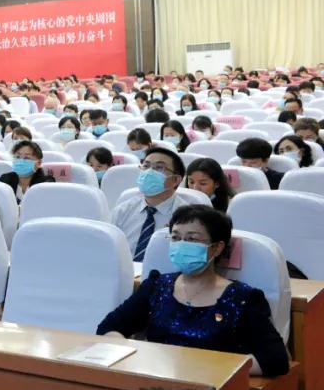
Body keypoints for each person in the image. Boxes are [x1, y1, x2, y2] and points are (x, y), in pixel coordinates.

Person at [97, 205, 289, 377]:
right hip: (154, 380)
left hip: (211, 388)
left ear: (217, 248)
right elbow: (109, 328)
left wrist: (209, 369)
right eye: (175, 237)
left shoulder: (242, 298)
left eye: (192, 239)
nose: (181, 244)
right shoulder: (157, 286)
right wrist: (136, 358)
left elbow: (275, 359)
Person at [111, 146, 194, 261]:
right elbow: (110, 250)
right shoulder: (123, 210)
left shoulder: (188, 217)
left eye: (159, 167)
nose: (149, 172)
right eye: (146, 166)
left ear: (176, 180)